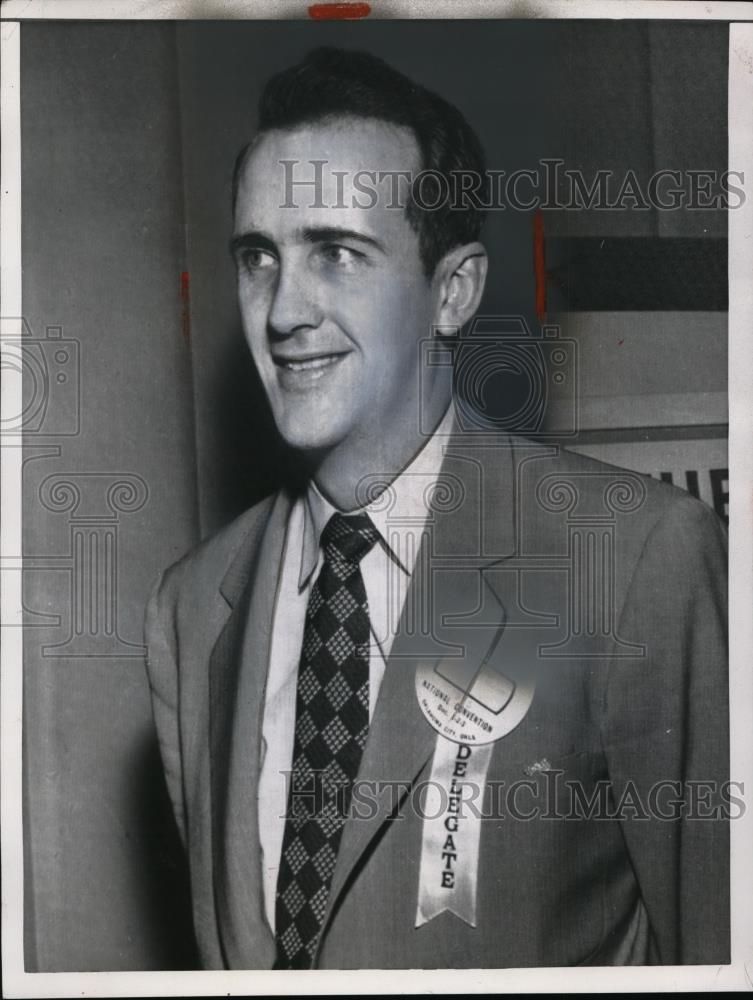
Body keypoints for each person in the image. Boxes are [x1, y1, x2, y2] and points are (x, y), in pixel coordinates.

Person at [144, 47, 729, 970]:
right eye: (259, 257)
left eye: (335, 253)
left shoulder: (634, 560)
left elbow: (719, 953)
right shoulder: (193, 607)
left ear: (451, 292)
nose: (283, 310)